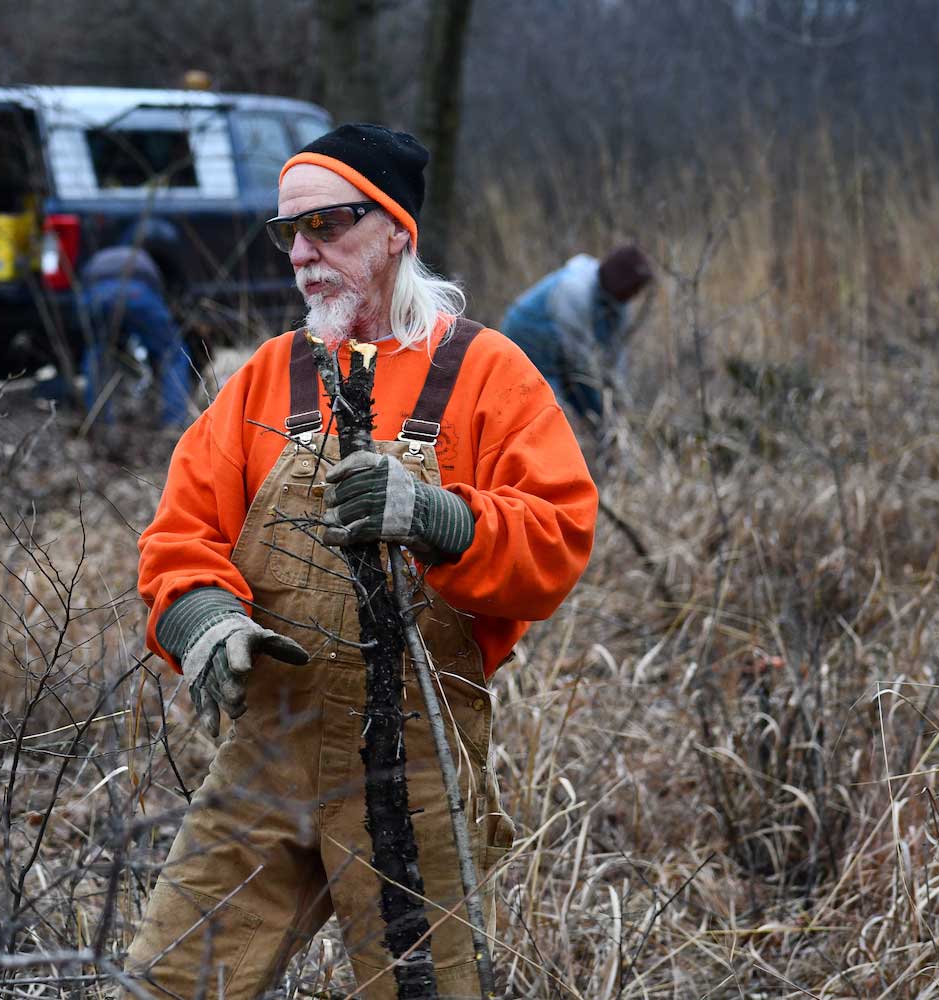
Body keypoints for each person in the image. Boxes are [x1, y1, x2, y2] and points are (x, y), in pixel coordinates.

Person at [126, 123, 598, 999]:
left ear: (395, 231)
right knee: (168, 983)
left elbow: (558, 541)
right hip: (267, 751)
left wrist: (439, 518)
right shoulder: (266, 378)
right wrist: (202, 618)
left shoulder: (488, 374)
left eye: (327, 225)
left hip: (413, 767)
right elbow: (179, 534)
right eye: (287, 233)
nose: (303, 253)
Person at [500, 247, 654, 426]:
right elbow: (581, 360)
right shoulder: (575, 290)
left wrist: (619, 398)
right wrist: (603, 401)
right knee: (544, 406)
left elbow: (615, 353)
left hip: (565, 345)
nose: (634, 295)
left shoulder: (618, 304)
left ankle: (604, 441)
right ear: (620, 282)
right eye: (632, 289)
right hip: (527, 337)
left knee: (594, 408)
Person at [76, 246, 193, 428]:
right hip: (137, 292)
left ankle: (98, 423)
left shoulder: (99, 256)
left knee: (97, 352)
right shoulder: (144, 258)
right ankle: (175, 422)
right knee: (174, 353)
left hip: (95, 296)